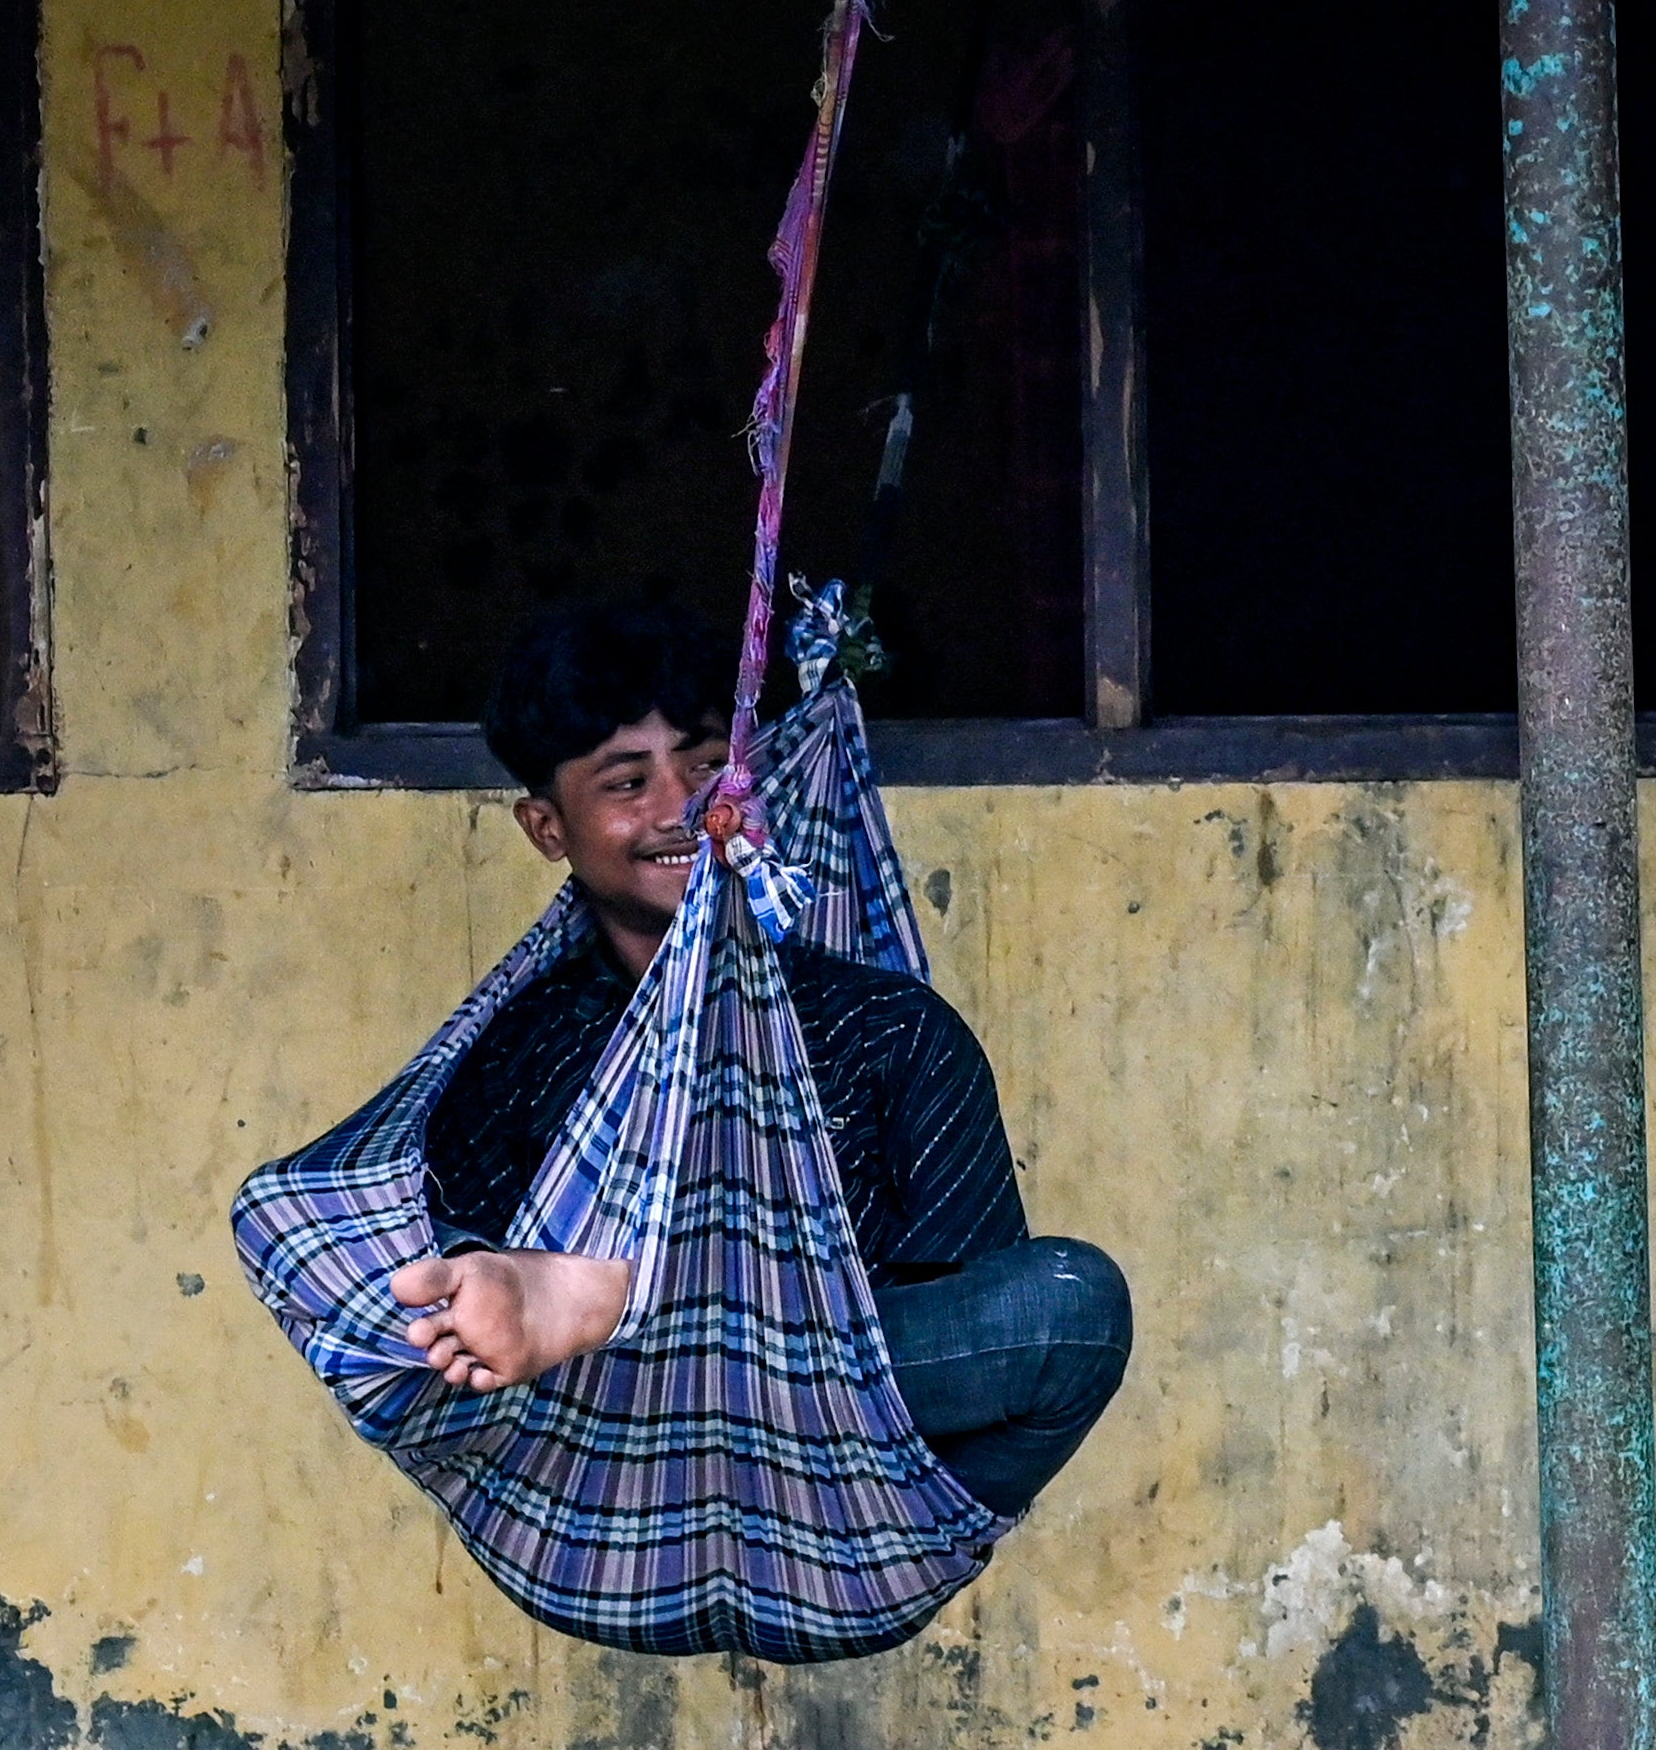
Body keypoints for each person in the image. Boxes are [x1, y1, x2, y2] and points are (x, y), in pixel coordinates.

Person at [387, 600, 1133, 1517]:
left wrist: (754, 1333)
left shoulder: (892, 1031)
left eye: (705, 767)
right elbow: (444, 1355)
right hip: (619, 1469)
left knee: (1069, 1311)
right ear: (547, 829)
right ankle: (614, 1320)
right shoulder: (515, 1060)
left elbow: (981, 1353)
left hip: (848, 1481)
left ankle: (620, 1303)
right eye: (627, 784)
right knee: (353, 1271)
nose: (684, 810)